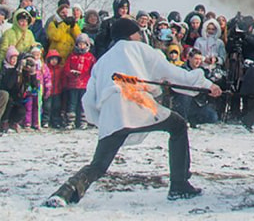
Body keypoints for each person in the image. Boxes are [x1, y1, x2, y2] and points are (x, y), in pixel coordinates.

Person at [45, 17, 222, 207]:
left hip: (112, 112)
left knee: (99, 164)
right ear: (131, 34)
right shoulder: (141, 49)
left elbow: (88, 99)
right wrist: (207, 85)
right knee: (178, 126)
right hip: (137, 103)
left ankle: (65, 192)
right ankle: (179, 185)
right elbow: (176, 75)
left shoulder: (103, 60)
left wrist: (102, 120)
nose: (140, 36)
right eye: (137, 32)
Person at [63, 34, 96, 129]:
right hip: (73, 84)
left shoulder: (90, 57)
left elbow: (93, 70)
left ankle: (83, 121)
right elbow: (66, 68)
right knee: (72, 103)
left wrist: (90, 80)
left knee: (83, 103)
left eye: (83, 44)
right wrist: (71, 73)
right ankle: (70, 121)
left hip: (85, 84)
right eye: (79, 44)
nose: (81, 46)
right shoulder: (72, 56)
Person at [44, 49, 65, 129]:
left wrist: (62, 87)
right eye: (52, 59)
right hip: (48, 92)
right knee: (47, 107)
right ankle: (46, 121)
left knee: (57, 107)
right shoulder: (46, 69)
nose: (54, 61)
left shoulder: (60, 69)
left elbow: (62, 79)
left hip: (57, 91)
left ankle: (56, 121)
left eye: (56, 59)